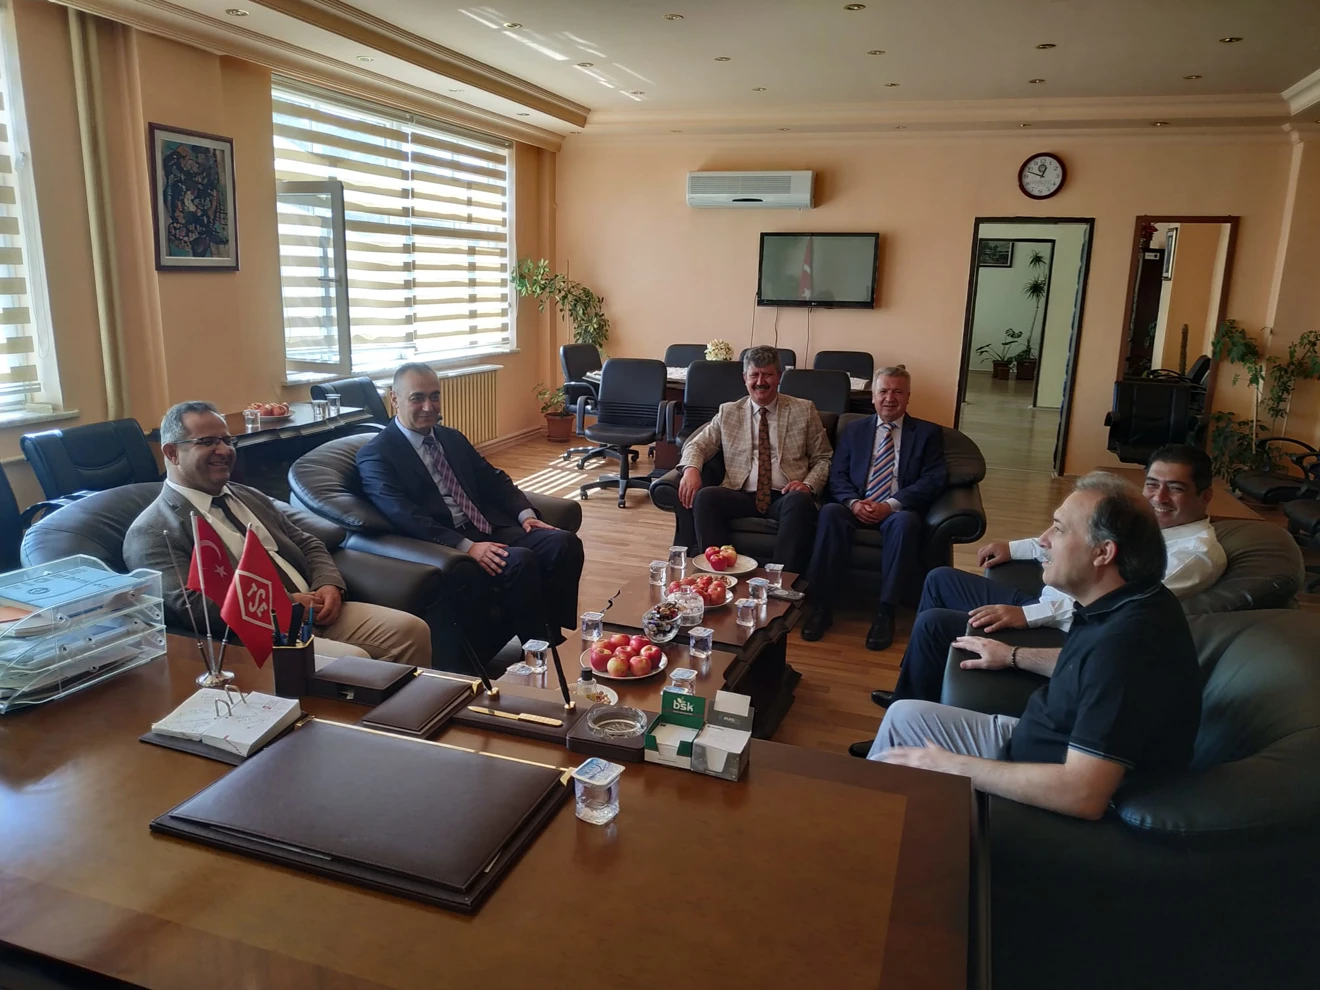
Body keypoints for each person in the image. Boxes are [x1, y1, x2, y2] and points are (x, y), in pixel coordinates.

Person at [864, 473, 1202, 820]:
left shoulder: (1127, 644)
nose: (1044, 539)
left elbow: (1082, 794)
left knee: (900, 770)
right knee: (903, 716)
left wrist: (952, 766)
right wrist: (1013, 655)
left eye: (1059, 529)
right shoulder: (1122, 602)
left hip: (1047, 781)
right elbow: (1088, 671)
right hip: (1035, 744)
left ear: (1103, 552)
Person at [862, 444, 1226, 715]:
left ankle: (915, 703)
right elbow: (1076, 539)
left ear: (1206, 495)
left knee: (933, 624)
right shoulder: (1149, 527)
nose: (1159, 497)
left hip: (1062, 628)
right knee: (940, 579)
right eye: (1152, 484)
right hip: (1048, 604)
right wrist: (1013, 548)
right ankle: (912, 687)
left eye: (1175, 488)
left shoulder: (1192, 556)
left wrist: (1028, 615)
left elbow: (1107, 604)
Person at [124, 401, 432, 666]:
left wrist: (329, 583)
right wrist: (287, 604)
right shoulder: (152, 531)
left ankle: (408, 717)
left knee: (411, 630)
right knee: (355, 660)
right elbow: (190, 606)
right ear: (172, 452)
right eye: (207, 442)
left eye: (227, 440)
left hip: (318, 611)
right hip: (260, 634)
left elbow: (306, 542)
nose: (224, 450)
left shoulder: (246, 495)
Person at [356, 362, 584, 648]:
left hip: (487, 524)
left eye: (435, 396)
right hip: (446, 541)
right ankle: (538, 650)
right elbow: (403, 514)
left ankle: (554, 634)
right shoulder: (376, 454)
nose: (428, 406)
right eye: (417, 398)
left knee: (563, 543)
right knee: (519, 561)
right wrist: (466, 546)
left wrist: (525, 514)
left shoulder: (450, 437)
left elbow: (493, 479)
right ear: (394, 398)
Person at [801, 365, 947, 650]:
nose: (890, 398)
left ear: (908, 396)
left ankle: (885, 612)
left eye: (897, 392)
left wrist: (890, 505)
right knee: (830, 512)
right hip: (856, 504)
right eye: (883, 391)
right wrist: (853, 502)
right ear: (873, 396)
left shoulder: (928, 433)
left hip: (896, 509)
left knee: (906, 523)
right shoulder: (854, 430)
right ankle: (822, 606)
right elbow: (837, 474)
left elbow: (933, 479)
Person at [675, 345, 833, 574]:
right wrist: (691, 468)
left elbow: (823, 457)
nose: (760, 382)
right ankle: (719, 575)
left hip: (785, 496)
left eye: (767, 374)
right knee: (706, 498)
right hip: (741, 493)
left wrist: (808, 485)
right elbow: (698, 444)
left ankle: (782, 580)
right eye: (754, 375)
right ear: (744, 378)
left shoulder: (803, 410)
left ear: (779, 376)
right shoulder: (729, 412)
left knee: (800, 501)